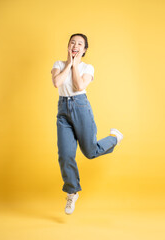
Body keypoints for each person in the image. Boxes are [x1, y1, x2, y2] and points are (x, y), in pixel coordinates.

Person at [51, 33, 123, 215]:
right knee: (65, 155)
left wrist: (75, 64)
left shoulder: (88, 67)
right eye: (72, 43)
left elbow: (78, 87)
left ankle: (114, 138)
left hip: (80, 107)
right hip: (63, 111)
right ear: (68, 46)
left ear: (84, 50)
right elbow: (57, 82)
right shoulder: (58, 65)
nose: (75, 45)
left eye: (79, 44)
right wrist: (68, 63)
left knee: (90, 152)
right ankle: (72, 191)